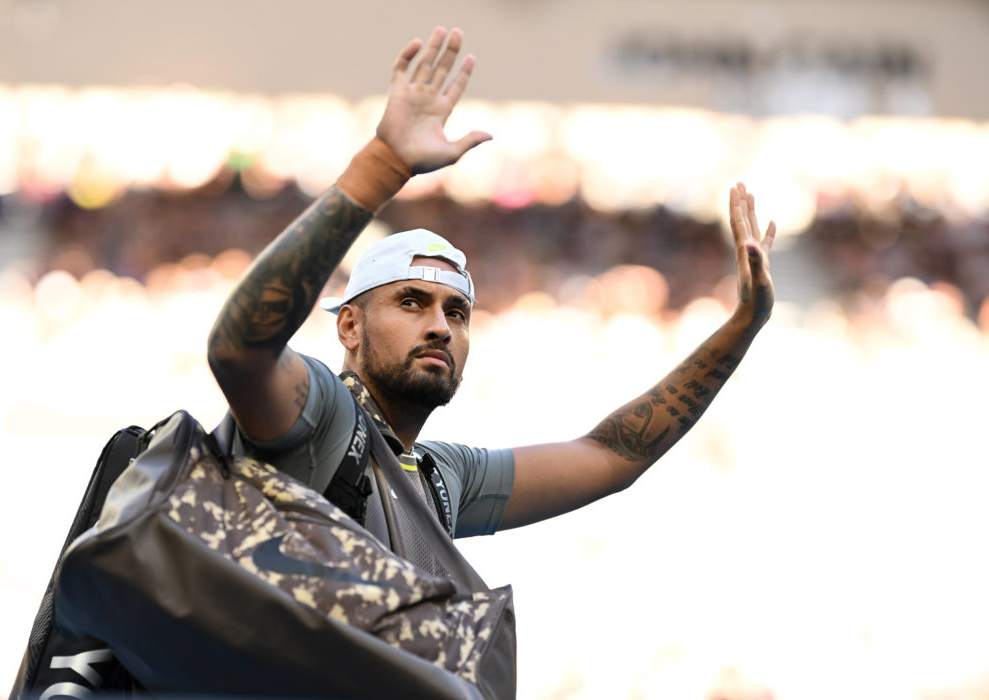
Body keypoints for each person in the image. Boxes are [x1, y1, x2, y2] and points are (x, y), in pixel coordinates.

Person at [207, 26, 775, 560]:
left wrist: (741, 327)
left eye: (457, 312)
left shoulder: (440, 478)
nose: (440, 327)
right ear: (349, 326)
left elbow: (614, 455)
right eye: (410, 302)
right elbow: (239, 348)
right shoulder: (315, 417)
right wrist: (382, 164)